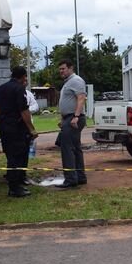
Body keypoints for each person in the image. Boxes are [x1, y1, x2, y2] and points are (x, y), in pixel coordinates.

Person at [0, 66, 38, 197]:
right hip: (16, 128)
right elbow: (24, 111)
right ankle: (15, 187)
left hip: (4, 126)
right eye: (25, 77)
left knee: (10, 155)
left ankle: (16, 182)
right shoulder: (19, 89)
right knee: (18, 156)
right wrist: (31, 129)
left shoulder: (1, 88)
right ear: (23, 77)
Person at [56, 59, 87, 188]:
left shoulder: (76, 80)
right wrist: (63, 119)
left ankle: (70, 180)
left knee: (67, 148)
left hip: (73, 118)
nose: (61, 71)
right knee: (75, 148)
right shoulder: (68, 82)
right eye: (60, 69)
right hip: (68, 118)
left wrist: (75, 116)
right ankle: (80, 177)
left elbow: (81, 99)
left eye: (63, 68)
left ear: (71, 68)